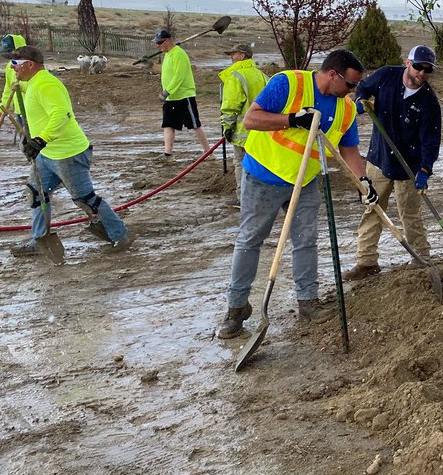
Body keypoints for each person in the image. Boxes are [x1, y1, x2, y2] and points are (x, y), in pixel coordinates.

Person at [217, 48, 367, 339]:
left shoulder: (346, 108)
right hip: (262, 176)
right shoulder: (289, 83)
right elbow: (251, 120)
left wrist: (364, 181)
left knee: (306, 241)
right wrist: (292, 119)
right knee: (249, 241)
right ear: (333, 74)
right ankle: (236, 309)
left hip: (306, 181)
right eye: (350, 84)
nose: (353, 90)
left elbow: (348, 149)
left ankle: (307, 301)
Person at [6, 43, 133, 256]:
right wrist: (32, 138)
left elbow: (61, 115)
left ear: (29, 65)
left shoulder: (47, 85)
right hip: (47, 155)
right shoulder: (34, 83)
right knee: (36, 194)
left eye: (15, 63)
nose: (12, 68)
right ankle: (39, 241)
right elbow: (37, 104)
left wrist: (40, 140)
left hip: (68, 154)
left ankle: (121, 235)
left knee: (85, 199)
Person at [343, 45, 441, 281]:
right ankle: (366, 262)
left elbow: (431, 141)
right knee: (373, 209)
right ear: (408, 63)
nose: (422, 73)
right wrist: (362, 99)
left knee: (410, 214)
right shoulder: (386, 75)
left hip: (409, 167)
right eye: (418, 67)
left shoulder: (429, 103)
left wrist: (425, 169)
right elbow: (363, 87)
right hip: (379, 160)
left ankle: (420, 258)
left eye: (427, 70)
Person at [218, 42, 268, 207]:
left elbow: (231, 105)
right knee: (259, 163)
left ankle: (244, 198)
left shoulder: (236, 76)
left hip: (241, 131)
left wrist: (227, 126)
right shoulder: (261, 75)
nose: (231, 58)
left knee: (240, 163)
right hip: (261, 129)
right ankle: (260, 197)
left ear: (242, 56)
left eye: (234, 54)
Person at [152, 28, 208, 159]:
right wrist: (150, 65)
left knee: (195, 125)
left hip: (184, 96)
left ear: (167, 41)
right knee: (168, 124)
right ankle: (168, 154)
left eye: (159, 43)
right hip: (171, 97)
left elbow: (179, 76)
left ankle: (208, 152)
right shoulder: (168, 55)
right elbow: (165, 71)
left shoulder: (179, 54)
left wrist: (167, 91)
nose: (157, 45)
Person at [0, 35, 24, 130]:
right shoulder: (9, 67)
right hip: (19, 111)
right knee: (25, 141)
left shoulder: (30, 66)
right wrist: (1, 110)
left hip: (33, 111)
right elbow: (8, 90)